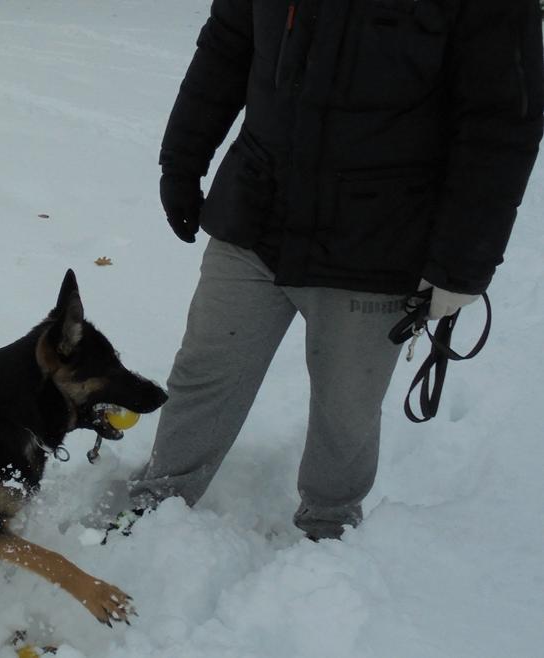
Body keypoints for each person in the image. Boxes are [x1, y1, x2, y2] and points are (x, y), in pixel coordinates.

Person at [123, 0, 544, 540]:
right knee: (204, 373)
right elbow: (227, 44)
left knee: (347, 411)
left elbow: (503, 118)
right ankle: (158, 505)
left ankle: (328, 528)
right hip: (257, 214)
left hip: (380, 242)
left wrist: (462, 264)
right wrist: (181, 160)